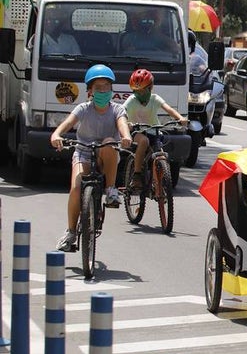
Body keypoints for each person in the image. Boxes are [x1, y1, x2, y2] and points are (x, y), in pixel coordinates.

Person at [50, 64, 133, 251]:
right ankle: (71, 232)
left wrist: (126, 137)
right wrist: (56, 135)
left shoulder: (117, 110)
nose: (103, 91)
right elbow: (67, 124)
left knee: (110, 141)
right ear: (90, 91)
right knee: (75, 188)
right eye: (98, 88)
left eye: (106, 87)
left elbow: (123, 125)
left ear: (111, 90)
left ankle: (111, 190)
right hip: (83, 152)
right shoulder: (83, 108)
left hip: (106, 154)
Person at [123, 68, 187, 190]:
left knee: (161, 154)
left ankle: (158, 182)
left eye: (143, 90)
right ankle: (136, 175)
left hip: (154, 131)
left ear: (150, 88)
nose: (140, 94)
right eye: (136, 91)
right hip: (137, 132)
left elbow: (169, 109)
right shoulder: (131, 100)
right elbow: (122, 112)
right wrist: (126, 123)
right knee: (144, 141)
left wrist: (180, 118)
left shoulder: (155, 98)